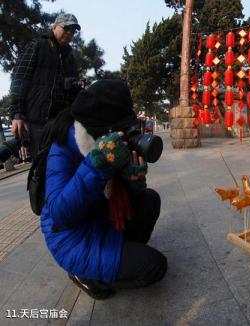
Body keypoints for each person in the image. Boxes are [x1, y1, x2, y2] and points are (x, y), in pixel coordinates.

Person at [41, 80, 167, 299]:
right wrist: (96, 164)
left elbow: (120, 196)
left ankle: (123, 253)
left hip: (103, 218)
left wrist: (133, 181)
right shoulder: (62, 147)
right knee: (154, 266)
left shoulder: (109, 140)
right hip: (73, 237)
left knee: (149, 199)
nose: (127, 133)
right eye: (122, 127)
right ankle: (86, 277)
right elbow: (60, 214)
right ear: (102, 127)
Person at [8, 13, 82, 159]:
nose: (69, 33)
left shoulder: (69, 57)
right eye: (66, 28)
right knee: (42, 167)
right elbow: (20, 79)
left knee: (64, 164)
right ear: (54, 27)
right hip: (38, 121)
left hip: (62, 122)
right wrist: (17, 114)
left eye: (73, 31)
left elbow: (73, 89)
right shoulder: (38, 46)